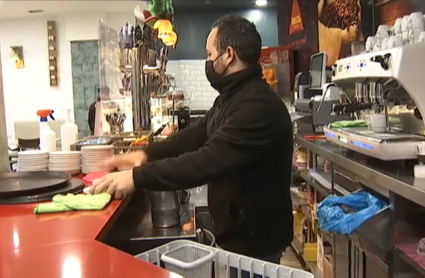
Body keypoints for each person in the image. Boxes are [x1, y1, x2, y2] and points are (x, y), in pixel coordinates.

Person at [90, 15, 294, 268]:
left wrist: (136, 177)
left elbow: (205, 162)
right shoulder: (233, 97)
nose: (208, 62)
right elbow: (198, 133)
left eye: (210, 55)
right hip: (241, 237)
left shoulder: (257, 106)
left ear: (228, 55)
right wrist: (146, 154)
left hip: (256, 245)